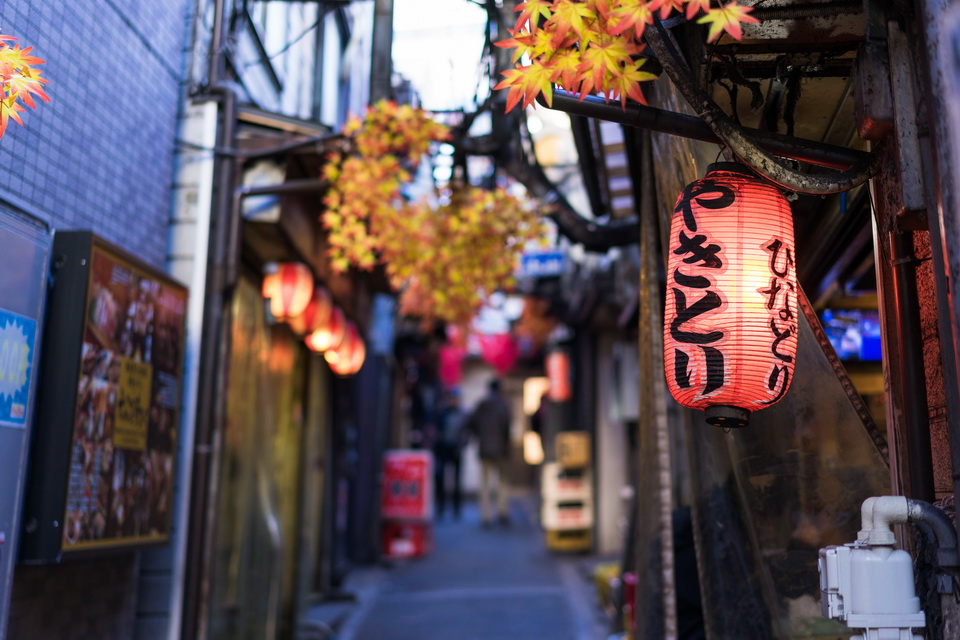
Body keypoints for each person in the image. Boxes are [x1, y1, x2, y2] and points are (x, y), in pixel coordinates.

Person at [466, 378, 512, 527]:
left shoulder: (482, 404)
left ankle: (486, 516)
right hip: (501, 449)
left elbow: (471, 422)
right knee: (502, 481)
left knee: (484, 484)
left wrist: (478, 437)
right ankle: (502, 511)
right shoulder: (503, 404)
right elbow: (507, 426)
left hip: (484, 448)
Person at [433, 389, 465, 519]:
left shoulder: (462, 414)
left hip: (456, 448)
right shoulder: (442, 413)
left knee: (457, 480)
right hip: (443, 448)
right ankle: (440, 507)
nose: (453, 401)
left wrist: (462, 444)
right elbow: (437, 430)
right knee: (441, 478)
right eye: (451, 399)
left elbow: (465, 432)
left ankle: (456, 509)